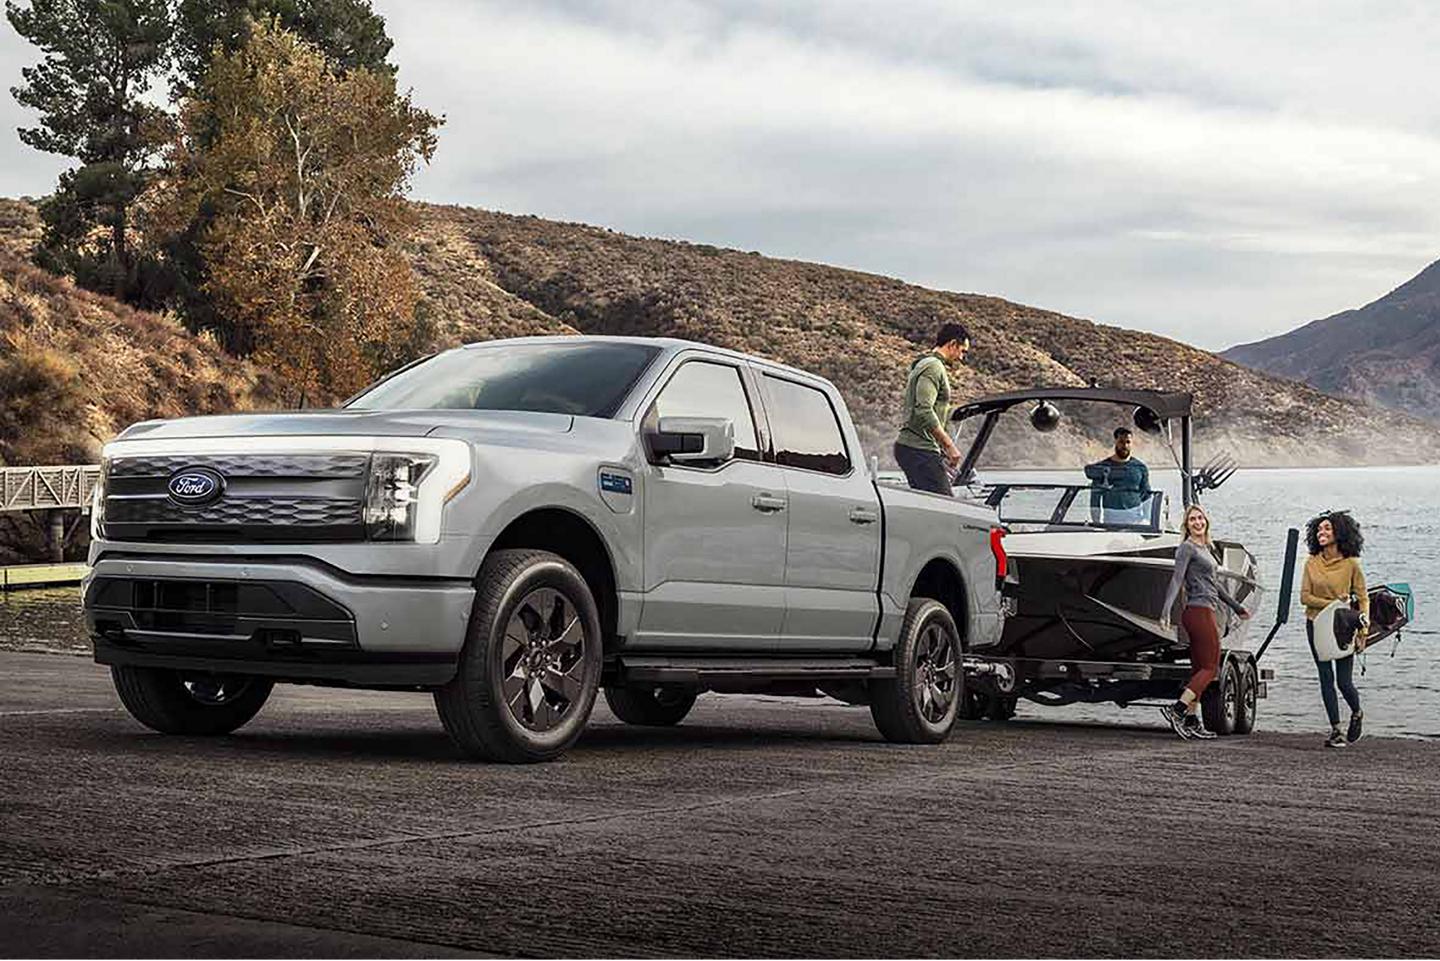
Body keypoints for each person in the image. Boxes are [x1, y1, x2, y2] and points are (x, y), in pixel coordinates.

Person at [1158, 504, 1251, 739]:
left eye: (1200, 519)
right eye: (1192, 520)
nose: (1197, 522)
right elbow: (1176, 580)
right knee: (1211, 669)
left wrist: (1237, 607)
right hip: (1198, 612)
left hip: (1206, 609)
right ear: (1187, 525)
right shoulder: (1186, 548)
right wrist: (1166, 611)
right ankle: (1178, 709)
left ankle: (1191, 720)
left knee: (1199, 669)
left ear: (1206, 522)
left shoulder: (1206, 548)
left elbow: (1215, 585)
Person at [1301, 510, 1368, 748]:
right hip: (1316, 624)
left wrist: (1363, 633)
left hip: (1343, 626)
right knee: (1325, 677)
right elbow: (1305, 597)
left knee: (1344, 682)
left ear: (1339, 533)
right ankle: (1336, 729)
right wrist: (1333, 604)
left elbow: (1363, 599)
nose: (1322, 532)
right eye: (1319, 529)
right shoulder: (1311, 562)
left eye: (1327, 529)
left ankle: (1357, 713)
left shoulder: (1351, 564)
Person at [893, 322, 971, 495]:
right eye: (962, 351)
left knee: (932, 505)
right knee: (945, 506)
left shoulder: (927, 364)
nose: (961, 358)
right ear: (952, 344)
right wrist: (949, 446)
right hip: (918, 449)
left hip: (919, 448)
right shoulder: (933, 367)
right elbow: (924, 410)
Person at [1084, 428, 1151, 524]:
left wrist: (1147, 520)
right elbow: (1095, 499)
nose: (1125, 446)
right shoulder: (1102, 469)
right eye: (1121, 442)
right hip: (1111, 523)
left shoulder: (1140, 467)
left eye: (1128, 442)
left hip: (1136, 524)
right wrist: (1096, 523)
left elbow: (1146, 496)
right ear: (1115, 442)